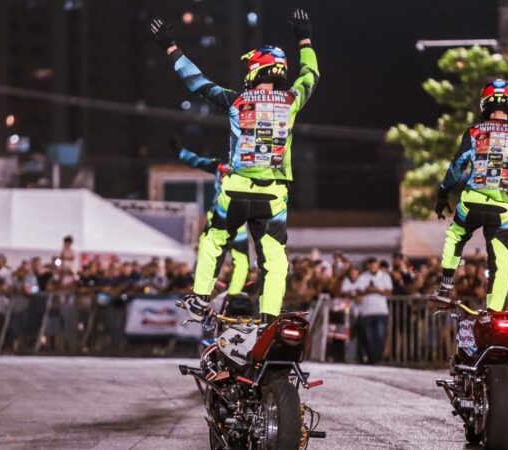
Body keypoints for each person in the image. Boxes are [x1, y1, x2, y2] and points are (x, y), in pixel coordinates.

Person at [151, 9, 319, 325]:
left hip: (236, 187)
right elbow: (311, 74)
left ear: (257, 69)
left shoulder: (237, 101)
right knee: (274, 259)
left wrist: (171, 48)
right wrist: (305, 39)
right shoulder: (292, 100)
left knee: (214, 241)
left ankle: (200, 299)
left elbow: (196, 82)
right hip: (274, 197)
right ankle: (270, 315)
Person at [434, 79, 508, 311]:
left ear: (484, 104)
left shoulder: (474, 131)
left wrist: (443, 194)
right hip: (502, 210)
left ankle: (446, 286)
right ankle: (494, 311)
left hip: (472, 201)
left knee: (456, 235)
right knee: (501, 261)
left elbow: (457, 165)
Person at [173, 140, 249, 296]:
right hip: (237, 217)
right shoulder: (247, 169)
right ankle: (234, 292)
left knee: (207, 246)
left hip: (220, 215)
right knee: (241, 259)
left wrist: (181, 152)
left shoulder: (220, 166)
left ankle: (205, 284)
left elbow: (197, 161)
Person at [355, 258, 392, 365]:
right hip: (367, 312)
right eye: (371, 266)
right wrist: (368, 290)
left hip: (381, 311)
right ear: (368, 266)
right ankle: (372, 358)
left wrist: (377, 290)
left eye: (375, 266)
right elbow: (358, 291)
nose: (373, 268)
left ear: (378, 266)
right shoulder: (363, 277)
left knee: (380, 336)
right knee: (369, 336)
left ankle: (377, 358)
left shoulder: (385, 276)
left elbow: (389, 292)